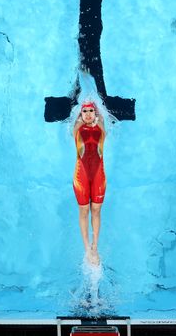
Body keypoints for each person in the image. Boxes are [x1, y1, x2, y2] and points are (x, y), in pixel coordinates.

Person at [73, 101, 106, 265]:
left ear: (96, 112)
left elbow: (102, 119)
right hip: (81, 178)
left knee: (96, 209)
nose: (88, 114)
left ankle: (95, 247)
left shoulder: (101, 127)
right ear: (80, 114)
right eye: (84, 111)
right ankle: (87, 248)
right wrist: (78, 119)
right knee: (84, 210)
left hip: (99, 176)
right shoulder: (77, 129)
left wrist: (98, 116)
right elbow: (76, 121)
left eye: (91, 110)